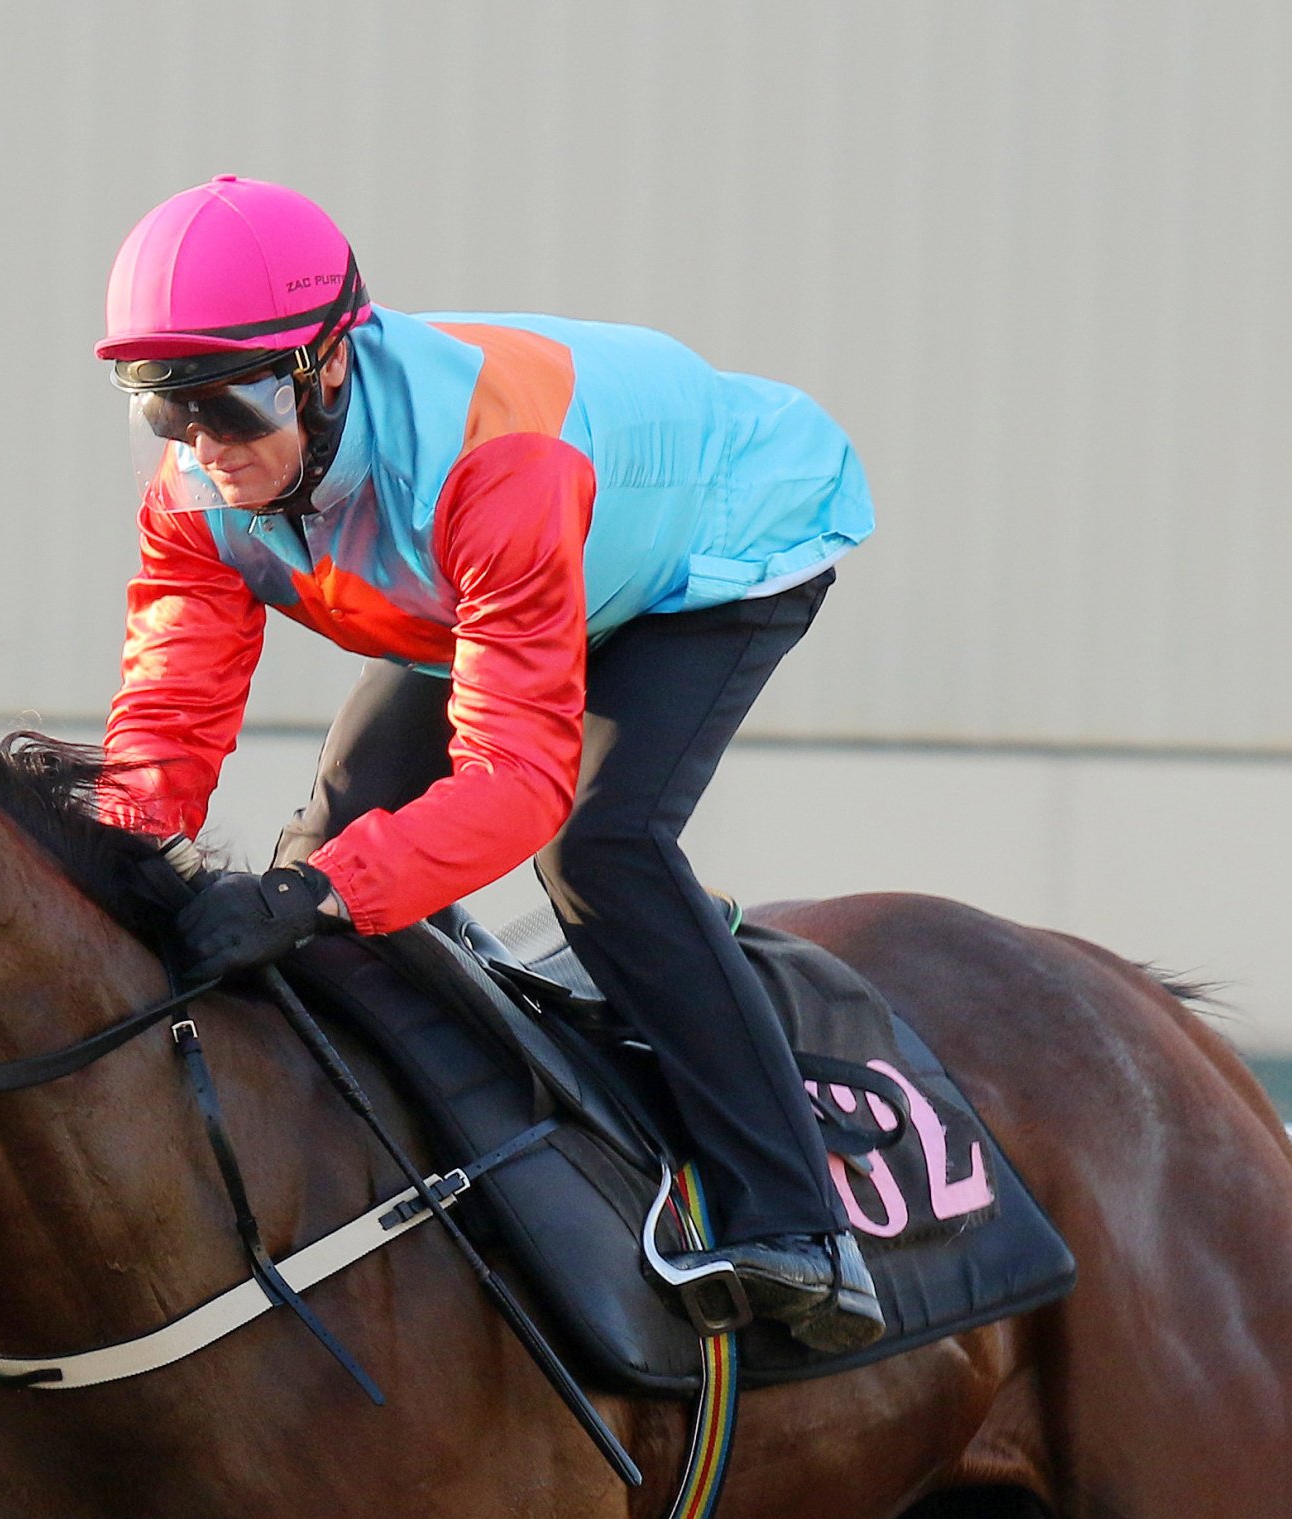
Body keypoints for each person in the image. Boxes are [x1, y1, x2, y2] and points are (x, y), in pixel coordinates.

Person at [89, 175, 886, 1353]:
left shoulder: (495, 465)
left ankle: (798, 1224)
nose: (207, 444)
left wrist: (313, 898)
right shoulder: (199, 492)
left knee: (594, 848)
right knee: (327, 850)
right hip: (471, 588)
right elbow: (171, 708)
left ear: (329, 365)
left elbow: (516, 783)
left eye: (233, 402)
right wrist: (118, 858)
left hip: (710, 548)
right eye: (166, 409)